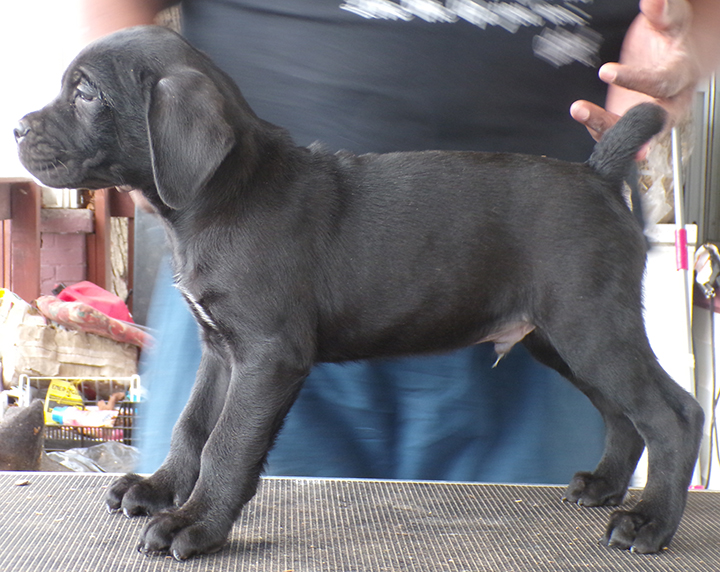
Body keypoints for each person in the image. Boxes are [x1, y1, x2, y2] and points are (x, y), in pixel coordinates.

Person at [83, 0, 720, 481]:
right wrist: (128, 144)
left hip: (536, 262)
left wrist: (682, 42)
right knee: (212, 570)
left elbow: (695, 18)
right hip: (256, 265)